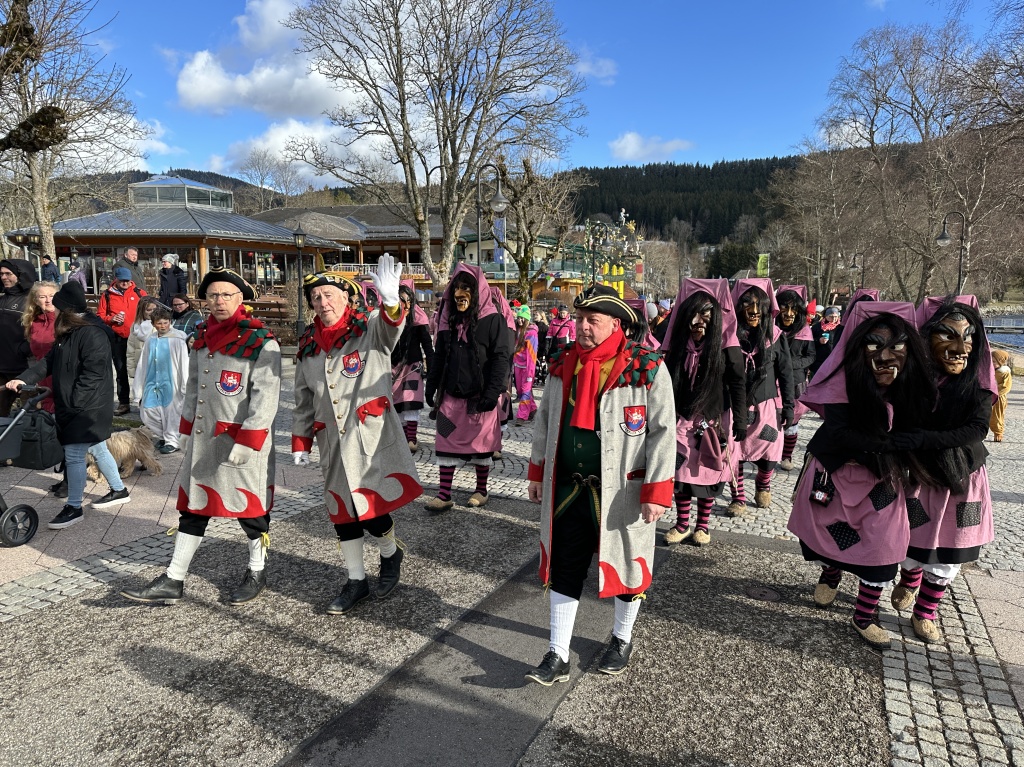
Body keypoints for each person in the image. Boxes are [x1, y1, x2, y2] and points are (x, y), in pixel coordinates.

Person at [524, 284, 674, 684]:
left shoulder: (646, 367)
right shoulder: (563, 363)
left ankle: (622, 639)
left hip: (623, 491)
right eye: (578, 319)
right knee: (566, 565)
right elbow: (543, 422)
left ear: (616, 323)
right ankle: (557, 653)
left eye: (592, 321)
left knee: (626, 564)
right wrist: (537, 471)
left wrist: (657, 490)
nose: (582, 327)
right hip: (569, 488)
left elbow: (663, 432)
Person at [120, 267, 281, 606]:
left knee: (250, 512)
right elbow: (194, 386)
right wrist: (185, 430)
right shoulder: (203, 336)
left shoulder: (261, 341)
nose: (219, 301)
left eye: (227, 295)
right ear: (205, 301)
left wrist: (248, 441)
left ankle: (257, 569)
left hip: (240, 442)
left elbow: (267, 398)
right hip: (205, 440)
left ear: (241, 299)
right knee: (194, 508)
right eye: (213, 295)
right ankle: (173, 578)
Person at [787, 301, 936, 649]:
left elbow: (922, 425)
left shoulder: (912, 388)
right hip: (837, 474)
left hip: (884, 482)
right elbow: (840, 432)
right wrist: (889, 442)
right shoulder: (842, 382)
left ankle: (863, 615)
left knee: (882, 547)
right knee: (834, 537)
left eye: (895, 347)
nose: (884, 357)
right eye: (874, 345)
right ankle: (831, 572)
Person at [291, 256, 423, 614]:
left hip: (369, 440)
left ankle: (390, 553)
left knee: (372, 510)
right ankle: (355, 581)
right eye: (316, 297)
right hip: (331, 442)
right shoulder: (308, 346)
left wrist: (392, 301)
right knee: (341, 513)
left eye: (329, 294)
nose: (323, 302)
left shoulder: (369, 329)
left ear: (347, 299)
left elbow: (392, 324)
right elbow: (303, 399)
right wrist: (300, 441)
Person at [888, 296, 996, 644]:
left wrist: (924, 439)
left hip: (961, 477)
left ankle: (926, 611)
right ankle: (909, 577)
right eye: (947, 335)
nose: (959, 347)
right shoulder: (912, 379)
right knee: (913, 536)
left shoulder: (977, 385)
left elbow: (977, 429)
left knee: (952, 546)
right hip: (919, 474)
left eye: (967, 337)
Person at [5, 280, 133, 529]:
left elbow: (93, 376)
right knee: (97, 448)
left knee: (74, 454)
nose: (53, 310)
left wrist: (74, 404)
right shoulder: (68, 333)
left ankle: (74, 507)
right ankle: (119, 490)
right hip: (76, 405)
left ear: (69, 311)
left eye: (58, 307)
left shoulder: (92, 334)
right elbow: (47, 363)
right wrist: (22, 380)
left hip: (87, 408)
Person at [660, 278, 746, 546]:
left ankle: (703, 526)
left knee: (707, 476)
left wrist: (740, 421)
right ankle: (683, 523)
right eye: (693, 314)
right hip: (681, 419)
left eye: (705, 315)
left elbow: (737, 382)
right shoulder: (676, 345)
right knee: (682, 475)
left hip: (713, 421)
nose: (698, 321)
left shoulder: (727, 346)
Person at [423, 264, 513, 511]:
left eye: (466, 288)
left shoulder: (492, 320)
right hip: (451, 396)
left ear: (477, 292)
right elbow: (439, 355)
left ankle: (481, 490)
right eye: (457, 288)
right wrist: (431, 386)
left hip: (480, 395)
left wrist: (492, 392)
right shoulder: (447, 321)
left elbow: (500, 358)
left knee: (481, 445)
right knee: (445, 441)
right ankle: (444, 494)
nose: (459, 293)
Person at [726, 278, 794, 514]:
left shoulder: (776, 337)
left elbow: (786, 374)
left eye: (758, 305)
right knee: (735, 451)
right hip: (735, 406)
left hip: (766, 407)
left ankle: (763, 483)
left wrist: (788, 406)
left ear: (766, 307)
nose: (753, 311)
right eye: (747, 304)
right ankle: (738, 496)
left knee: (770, 450)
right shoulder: (729, 336)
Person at [133, 308, 189, 455]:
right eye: (159, 323)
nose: (163, 326)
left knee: (172, 412)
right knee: (148, 411)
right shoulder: (151, 339)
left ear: (170, 322)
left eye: (166, 322)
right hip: (153, 380)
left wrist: (184, 384)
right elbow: (143, 363)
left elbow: (184, 362)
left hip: (172, 381)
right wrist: (138, 387)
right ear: (154, 324)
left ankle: (172, 440)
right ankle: (165, 434)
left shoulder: (178, 339)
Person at [775, 285, 816, 471]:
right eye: (785, 307)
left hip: (795, 381)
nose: (789, 313)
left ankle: (787, 455)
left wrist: (791, 365)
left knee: (792, 422)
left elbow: (811, 356)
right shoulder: (771, 328)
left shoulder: (805, 331)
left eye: (794, 309)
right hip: (773, 382)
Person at [97, 267, 146, 416]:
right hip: (117, 338)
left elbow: (150, 310)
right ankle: (124, 402)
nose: (125, 283)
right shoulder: (107, 295)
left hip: (138, 338)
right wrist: (111, 319)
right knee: (121, 371)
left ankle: (144, 403)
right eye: (122, 281)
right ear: (116, 280)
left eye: (127, 280)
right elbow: (99, 316)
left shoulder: (139, 293)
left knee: (142, 369)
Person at [391, 280, 433, 451]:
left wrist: (432, 370)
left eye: (409, 300)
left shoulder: (419, 318)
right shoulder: (389, 319)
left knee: (410, 400)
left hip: (412, 366)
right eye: (402, 299)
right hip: (393, 367)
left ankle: (411, 439)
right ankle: (402, 438)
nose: (406, 304)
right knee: (397, 403)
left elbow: (428, 347)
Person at [0, 258, 35, 417]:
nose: (4, 277)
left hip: (24, 368)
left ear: (21, 275)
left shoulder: (32, 301)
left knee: (29, 414)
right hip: (2, 367)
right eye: (1, 274)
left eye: (8, 274)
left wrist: (25, 348)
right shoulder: (2, 299)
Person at [20, 280, 58, 414]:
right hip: (42, 379)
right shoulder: (34, 322)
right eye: (43, 297)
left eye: (52, 295)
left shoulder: (64, 321)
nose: (48, 300)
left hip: (62, 378)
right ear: (36, 300)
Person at [512, 304, 539, 424]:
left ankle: (521, 416)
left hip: (528, 367)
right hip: (518, 365)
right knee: (520, 390)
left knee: (526, 391)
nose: (520, 320)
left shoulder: (532, 333)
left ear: (527, 318)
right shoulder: (517, 330)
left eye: (522, 317)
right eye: (519, 317)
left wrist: (530, 373)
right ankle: (532, 409)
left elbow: (532, 355)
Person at [126, 297, 158, 398]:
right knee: (143, 393)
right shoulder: (135, 326)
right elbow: (130, 349)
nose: (152, 312)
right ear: (142, 310)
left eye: (154, 309)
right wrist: (131, 369)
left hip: (156, 365)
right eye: (149, 310)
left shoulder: (160, 325)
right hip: (140, 365)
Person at [810, 306, 840, 379]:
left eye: (836, 317)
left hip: (835, 361)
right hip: (819, 361)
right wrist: (818, 341)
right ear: (826, 316)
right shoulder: (817, 327)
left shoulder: (840, 327)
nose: (834, 319)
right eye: (831, 316)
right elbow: (808, 343)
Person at [990, 349, 1012, 442]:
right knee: (984, 414)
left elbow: (1006, 387)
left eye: (994, 361)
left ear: (1000, 361)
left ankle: (998, 432)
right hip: (988, 396)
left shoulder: (1005, 373)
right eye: (991, 361)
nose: (992, 363)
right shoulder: (990, 371)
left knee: (997, 416)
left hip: (999, 398)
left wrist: (995, 390)